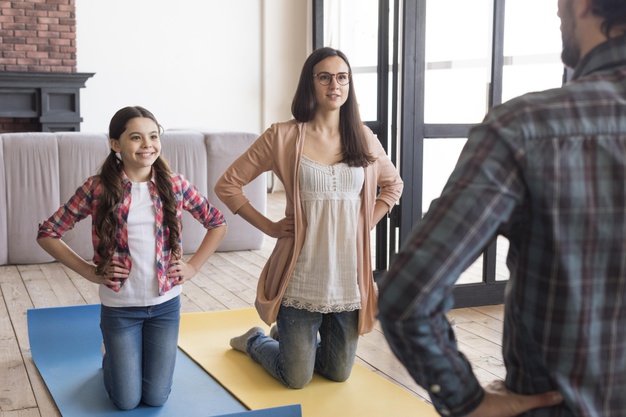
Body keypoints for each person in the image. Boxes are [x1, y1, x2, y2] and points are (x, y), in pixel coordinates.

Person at [378, 0, 626, 416]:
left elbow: (407, 294)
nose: (556, 14)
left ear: (583, 5)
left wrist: (468, 402)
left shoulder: (526, 127)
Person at [214, 47, 403, 389]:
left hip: (348, 279)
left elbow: (392, 185)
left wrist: (365, 223)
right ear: (310, 84)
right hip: (300, 276)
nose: (335, 84)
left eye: (342, 77)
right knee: (296, 378)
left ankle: (291, 340)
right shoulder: (283, 135)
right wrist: (269, 226)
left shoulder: (363, 137)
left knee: (337, 373)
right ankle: (258, 340)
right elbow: (228, 184)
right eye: (325, 77)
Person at [37, 106, 227, 410]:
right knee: (125, 401)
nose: (147, 144)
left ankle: (128, 357)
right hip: (120, 310)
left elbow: (217, 222)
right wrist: (89, 271)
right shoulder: (97, 187)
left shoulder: (175, 184)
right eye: (136, 138)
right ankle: (110, 354)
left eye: (153, 136)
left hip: (165, 308)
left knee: (155, 398)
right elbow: (48, 232)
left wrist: (193, 267)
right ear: (116, 144)